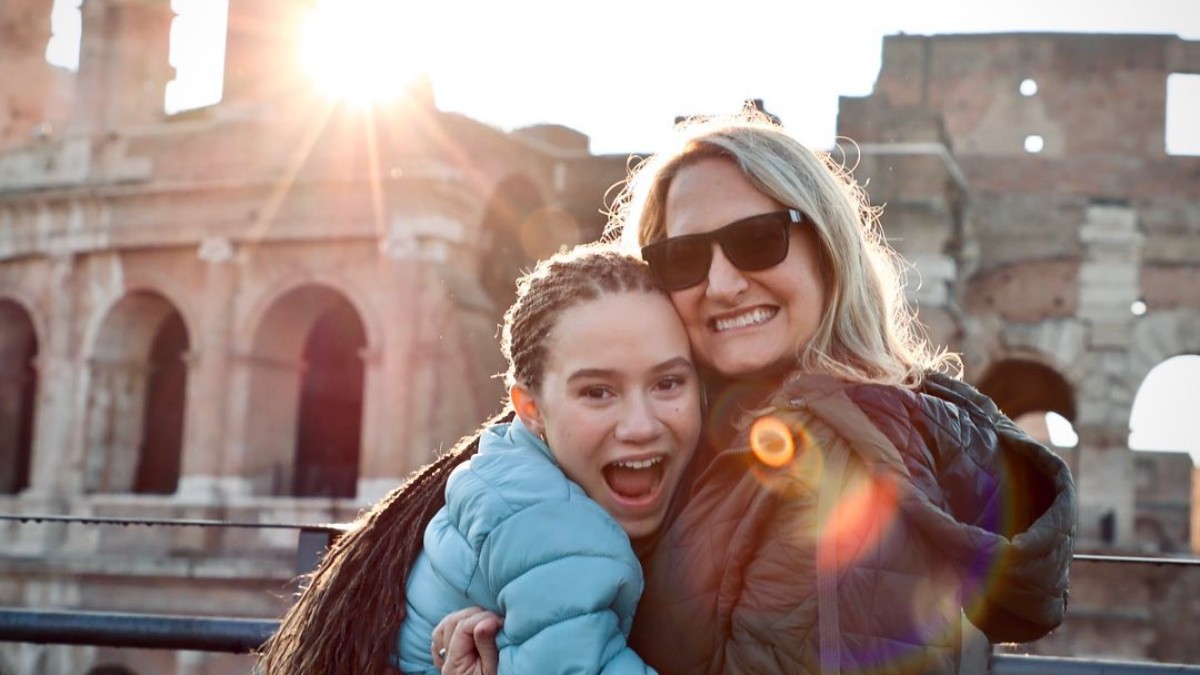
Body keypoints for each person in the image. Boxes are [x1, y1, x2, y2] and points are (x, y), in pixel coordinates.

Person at [438, 106, 1077, 675]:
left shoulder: (841, 462)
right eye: (684, 257)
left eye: (756, 241)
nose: (722, 284)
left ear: (826, 248)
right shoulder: (725, 438)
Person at [255, 243, 701, 674]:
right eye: (597, 392)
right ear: (530, 409)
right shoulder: (555, 528)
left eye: (667, 383)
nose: (640, 426)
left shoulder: (503, 474)